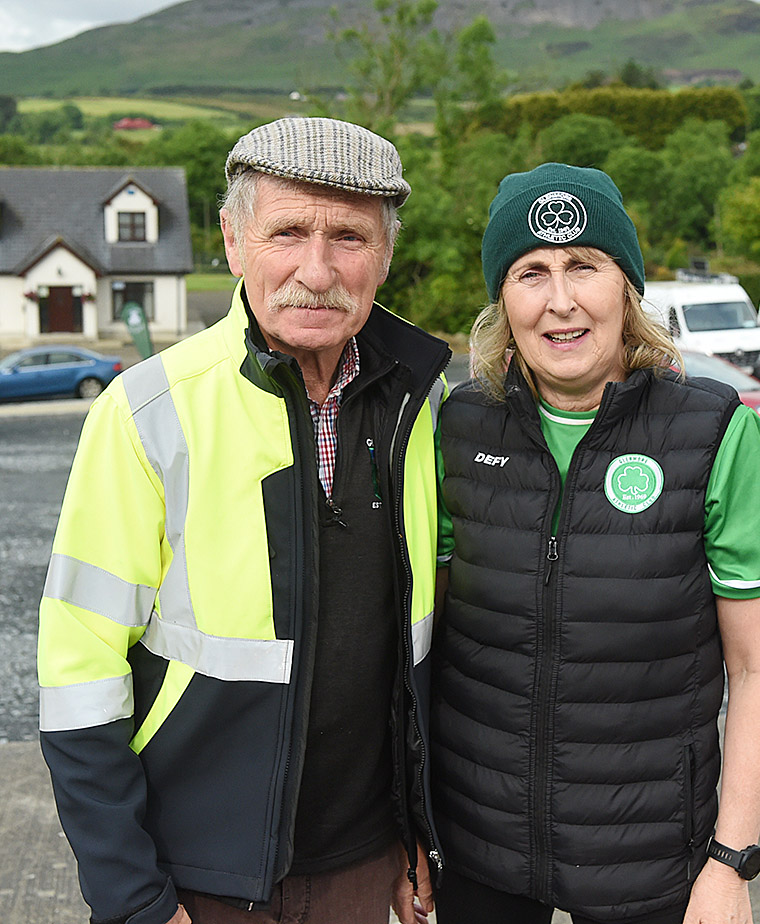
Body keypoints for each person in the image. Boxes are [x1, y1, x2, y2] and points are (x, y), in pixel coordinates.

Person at [37, 117, 449, 924]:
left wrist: (416, 833)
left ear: (386, 256)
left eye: (349, 238)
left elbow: (416, 656)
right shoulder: (145, 413)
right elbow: (78, 675)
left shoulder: (423, 404)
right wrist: (132, 896)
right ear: (232, 241)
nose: (316, 271)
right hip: (193, 875)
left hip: (363, 865)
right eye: (287, 232)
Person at [430, 163, 760, 924]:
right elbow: (422, 645)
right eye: (530, 273)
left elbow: (758, 670)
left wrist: (731, 863)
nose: (559, 300)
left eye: (584, 266)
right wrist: (413, 831)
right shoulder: (457, 428)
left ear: (626, 288)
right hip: (477, 846)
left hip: (651, 855)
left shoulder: (718, 434)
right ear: (502, 300)